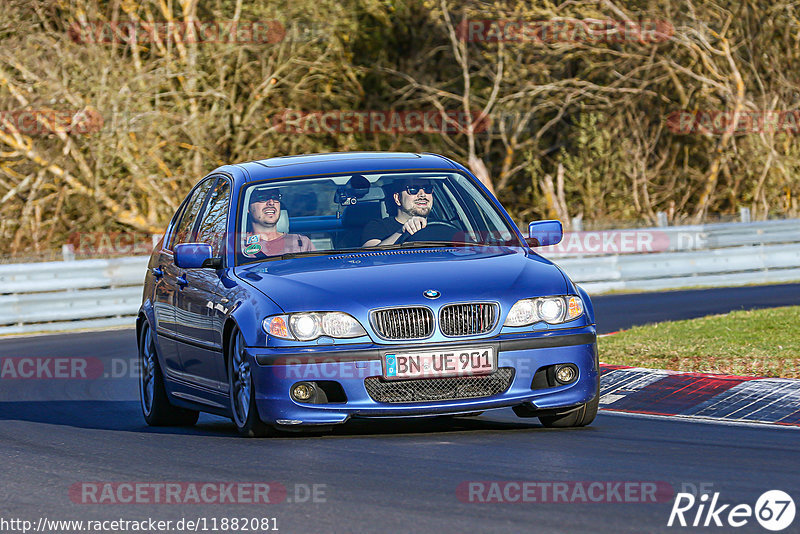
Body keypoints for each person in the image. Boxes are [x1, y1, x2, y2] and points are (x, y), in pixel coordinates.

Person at [242, 188, 315, 258]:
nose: (271, 203)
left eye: (275, 197)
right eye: (262, 198)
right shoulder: (239, 245)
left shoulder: (301, 243)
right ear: (247, 207)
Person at [361, 180, 434, 247]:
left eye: (427, 189)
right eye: (413, 189)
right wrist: (403, 231)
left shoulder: (440, 226)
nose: (422, 194)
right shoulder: (378, 226)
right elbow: (372, 258)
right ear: (397, 198)